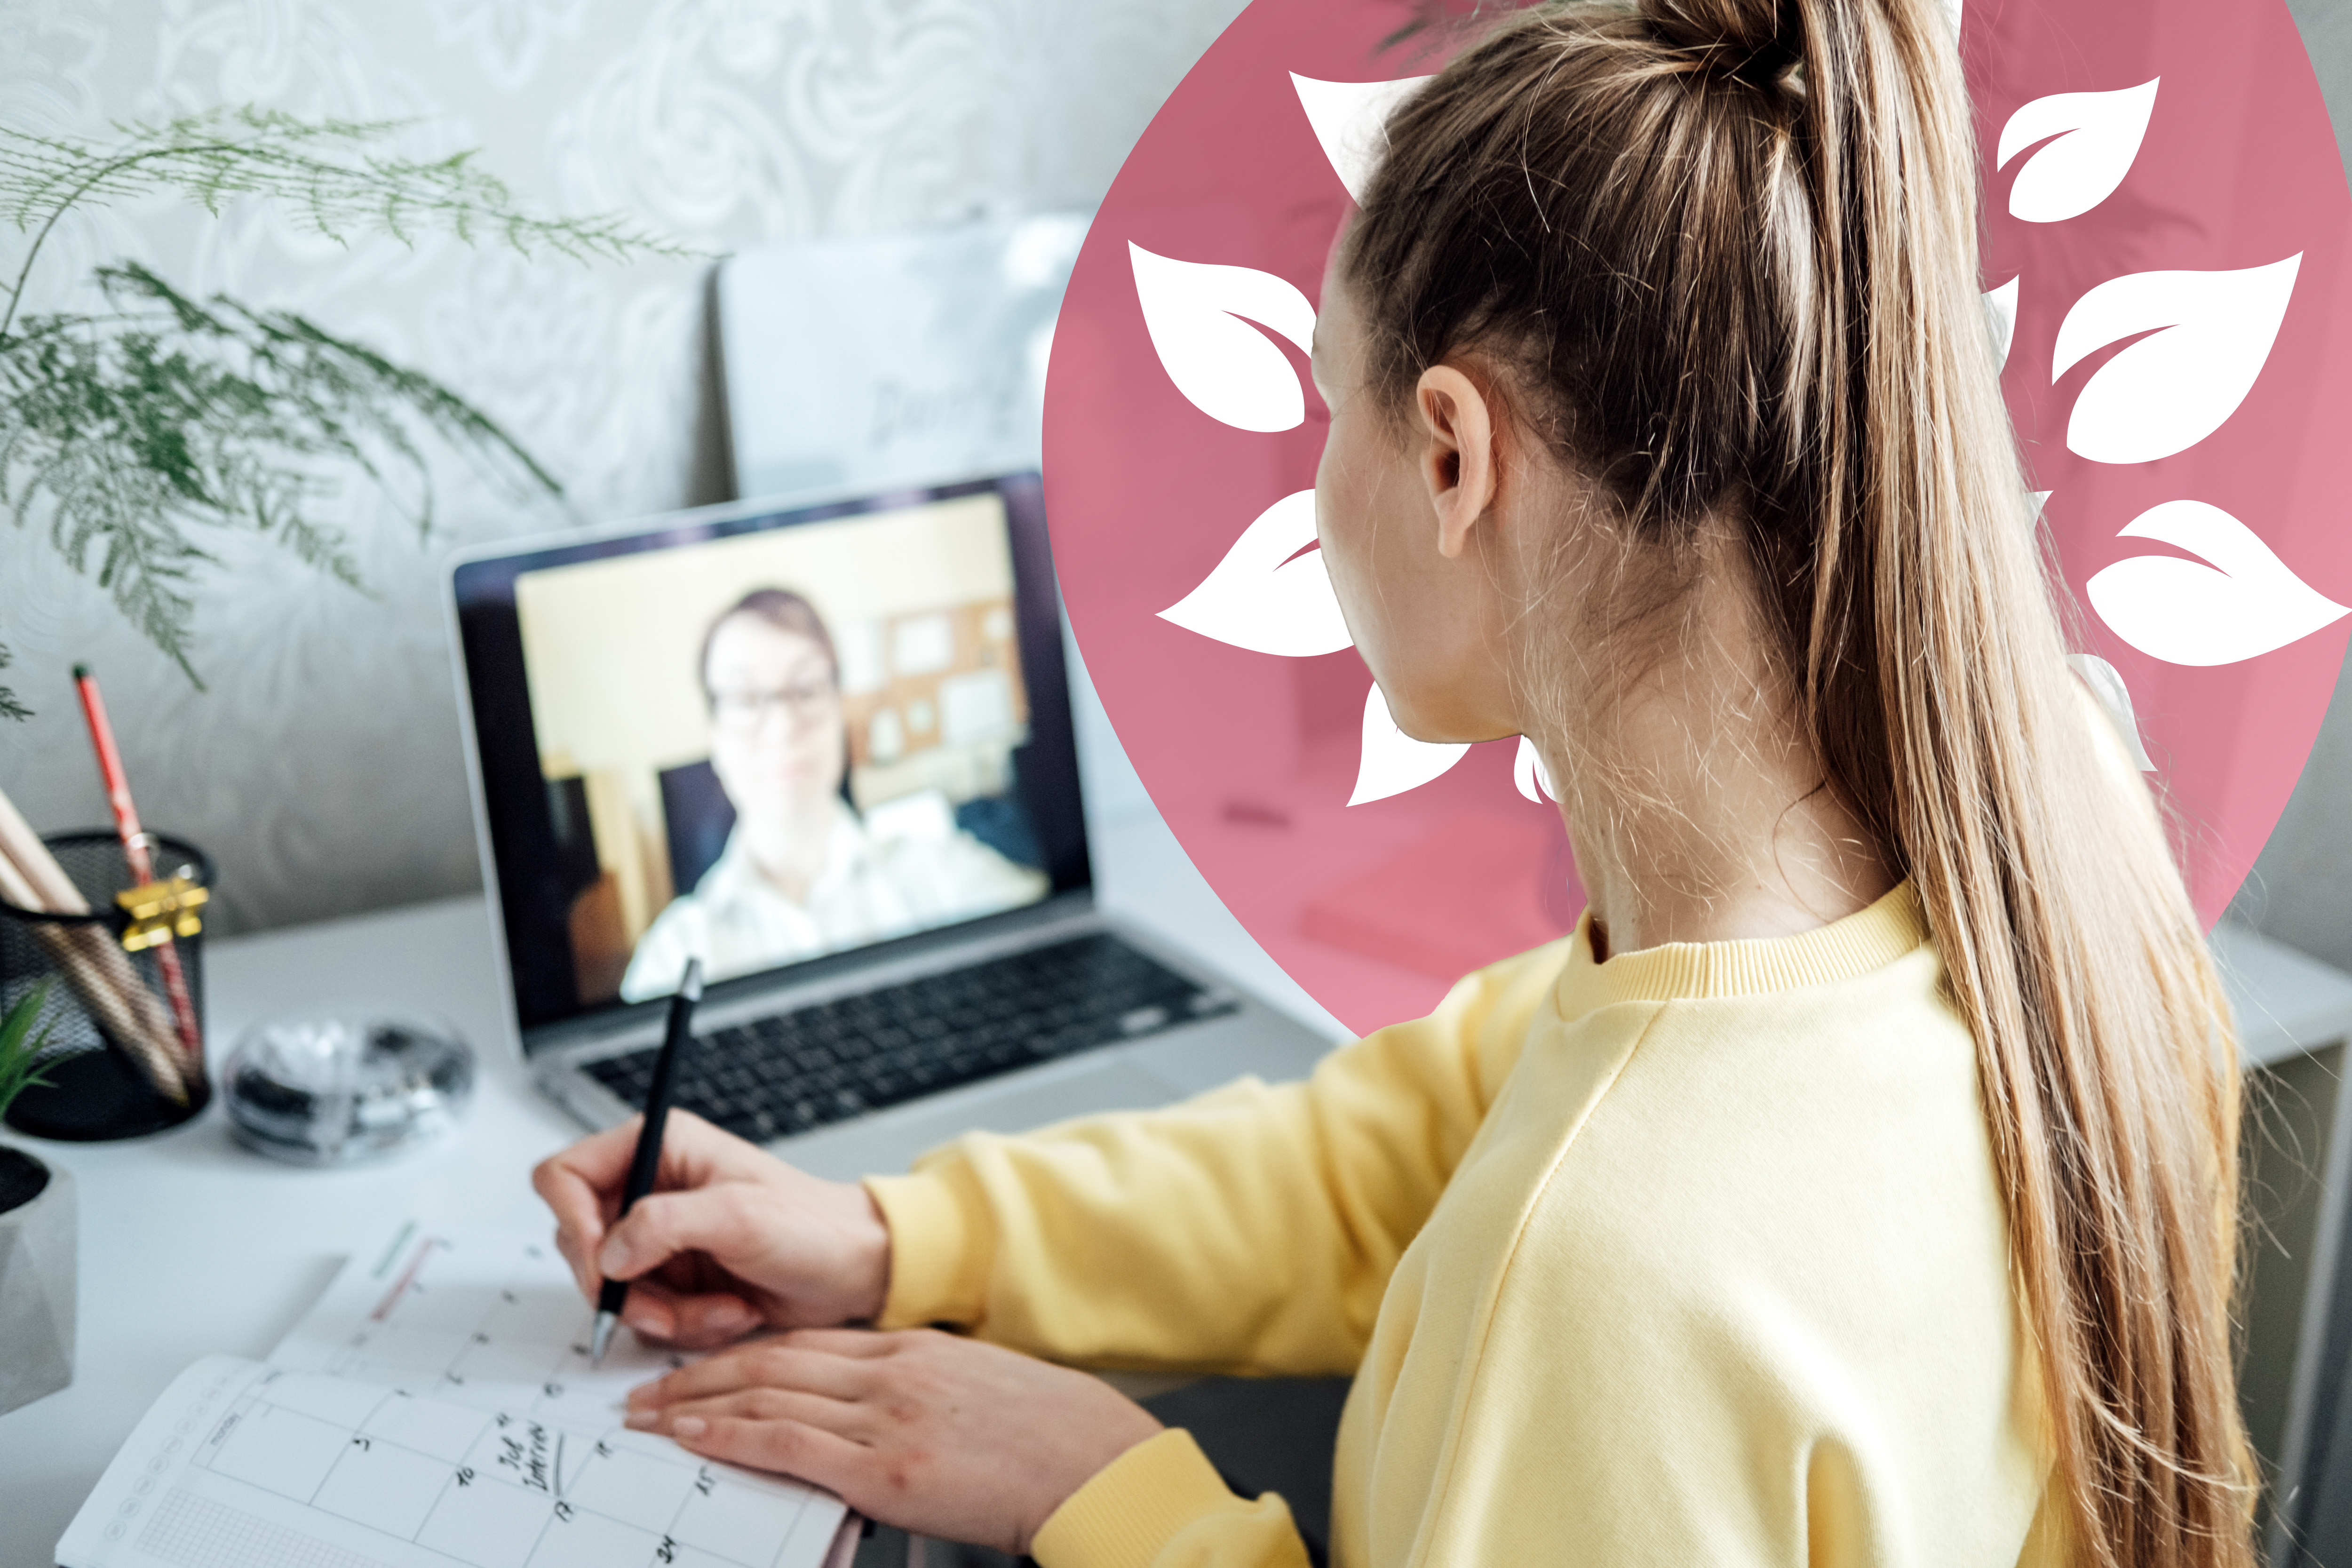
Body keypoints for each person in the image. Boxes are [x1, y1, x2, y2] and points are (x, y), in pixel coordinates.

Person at [539, 1, 2257, 1563]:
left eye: (1321, 409)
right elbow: (1388, 1155)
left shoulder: (1621, 1274)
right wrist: (896, 1238)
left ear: (1451, 452)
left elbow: (1539, 1216)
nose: (1309, 489)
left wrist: (1105, 1494)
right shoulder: (2018, 855)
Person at [619, 587, 1049, 1001]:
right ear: (714, 736)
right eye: (746, 698)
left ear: (840, 710)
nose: (784, 726)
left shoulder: (944, 875)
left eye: (806, 689)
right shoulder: (671, 958)